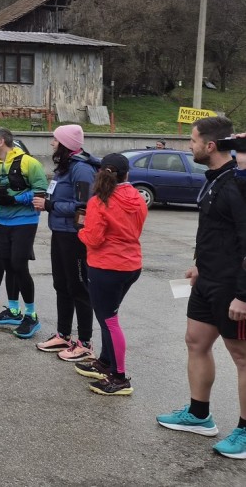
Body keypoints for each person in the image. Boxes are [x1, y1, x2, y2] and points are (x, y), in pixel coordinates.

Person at [156, 117, 246, 459]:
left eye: (192, 141)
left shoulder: (238, 184)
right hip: (207, 279)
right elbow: (213, 229)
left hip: (232, 286)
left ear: (210, 145)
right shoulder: (214, 180)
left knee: (242, 358)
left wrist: (243, 295)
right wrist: (198, 264)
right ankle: (198, 415)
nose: (188, 146)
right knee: (195, 341)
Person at [74, 153, 147, 396]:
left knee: (109, 320)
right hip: (131, 265)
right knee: (109, 316)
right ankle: (106, 361)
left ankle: (119, 377)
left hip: (107, 266)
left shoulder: (99, 201)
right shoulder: (137, 198)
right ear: (127, 174)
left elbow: (94, 239)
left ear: (101, 172)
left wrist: (80, 231)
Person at [33, 125, 101, 361]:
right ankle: (63, 335)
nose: (52, 143)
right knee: (61, 285)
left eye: (55, 140)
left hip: (75, 236)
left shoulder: (81, 169)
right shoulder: (66, 166)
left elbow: (85, 206)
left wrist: (50, 205)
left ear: (65, 144)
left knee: (79, 288)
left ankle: (85, 343)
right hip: (60, 233)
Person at [0, 127, 49, 339]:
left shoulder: (29, 163)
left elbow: (41, 191)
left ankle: (31, 315)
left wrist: (15, 199)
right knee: (7, 264)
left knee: (19, 265)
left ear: (1, 141)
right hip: (2, 221)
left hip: (24, 221)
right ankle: (13, 310)